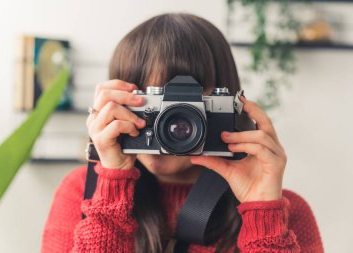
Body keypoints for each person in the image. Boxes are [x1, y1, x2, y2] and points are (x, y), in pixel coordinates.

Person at [41, 13, 324, 253]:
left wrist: (263, 213)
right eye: (148, 105)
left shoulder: (285, 213)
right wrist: (111, 188)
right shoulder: (81, 192)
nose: (164, 124)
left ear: (224, 108)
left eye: (180, 108)